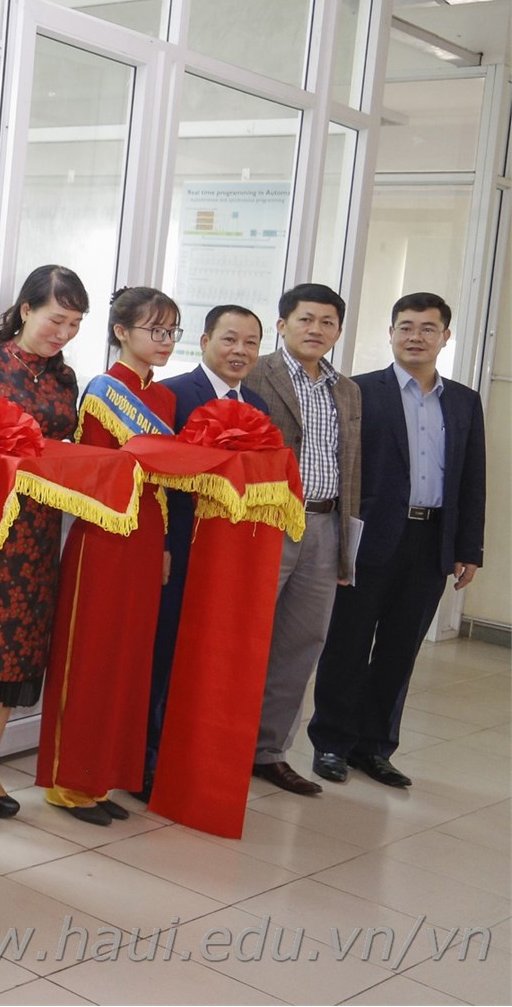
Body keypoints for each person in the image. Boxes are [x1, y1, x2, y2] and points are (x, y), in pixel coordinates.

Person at [310, 292, 486, 788]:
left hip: (432, 542)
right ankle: (331, 744)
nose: (415, 337)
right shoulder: (359, 392)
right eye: (405, 326)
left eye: (427, 329)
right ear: (390, 333)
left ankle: (375, 747)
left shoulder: (464, 401)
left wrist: (467, 549)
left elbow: (472, 479)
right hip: (369, 539)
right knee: (347, 644)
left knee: (399, 650)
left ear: (444, 338)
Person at [0, 265, 86, 824]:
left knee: (17, 647)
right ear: (26, 310)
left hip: (37, 528)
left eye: (74, 324)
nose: (63, 332)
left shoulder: (66, 378)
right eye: (56, 319)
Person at [39, 287, 179, 825]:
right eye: (154, 330)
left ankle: (103, 780)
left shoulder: (162, 398)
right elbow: (93, 473)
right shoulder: (102, 391)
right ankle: (70, 783)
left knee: (129, 661)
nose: (164, 342)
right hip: (104, 536)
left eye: (172, 332)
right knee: (91, 658)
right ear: (123, 332)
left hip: (146, 538)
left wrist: (163, 544)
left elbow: (164, 485)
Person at [142, 304, 272, 797]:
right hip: (178, 546)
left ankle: (191, 755)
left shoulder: (258, 406)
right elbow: (160, 477)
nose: (240, 351)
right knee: (165, 652)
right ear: (204, 340)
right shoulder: (173, 396)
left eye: (250, 343)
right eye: (230, 339)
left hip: (230, 555)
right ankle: (149, 760)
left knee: (209, 655)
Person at [240, 283, 362, 797]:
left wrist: (343, 545)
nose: (317, 330)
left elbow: (350, 467)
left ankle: (268, 752)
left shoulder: (347, 390)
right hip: (267, 522)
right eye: (306, 319)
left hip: (326, 524)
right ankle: (224, 742)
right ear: (283, 323)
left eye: (327, 322)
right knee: (246, 638)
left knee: (300, 644)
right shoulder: (254, 373)